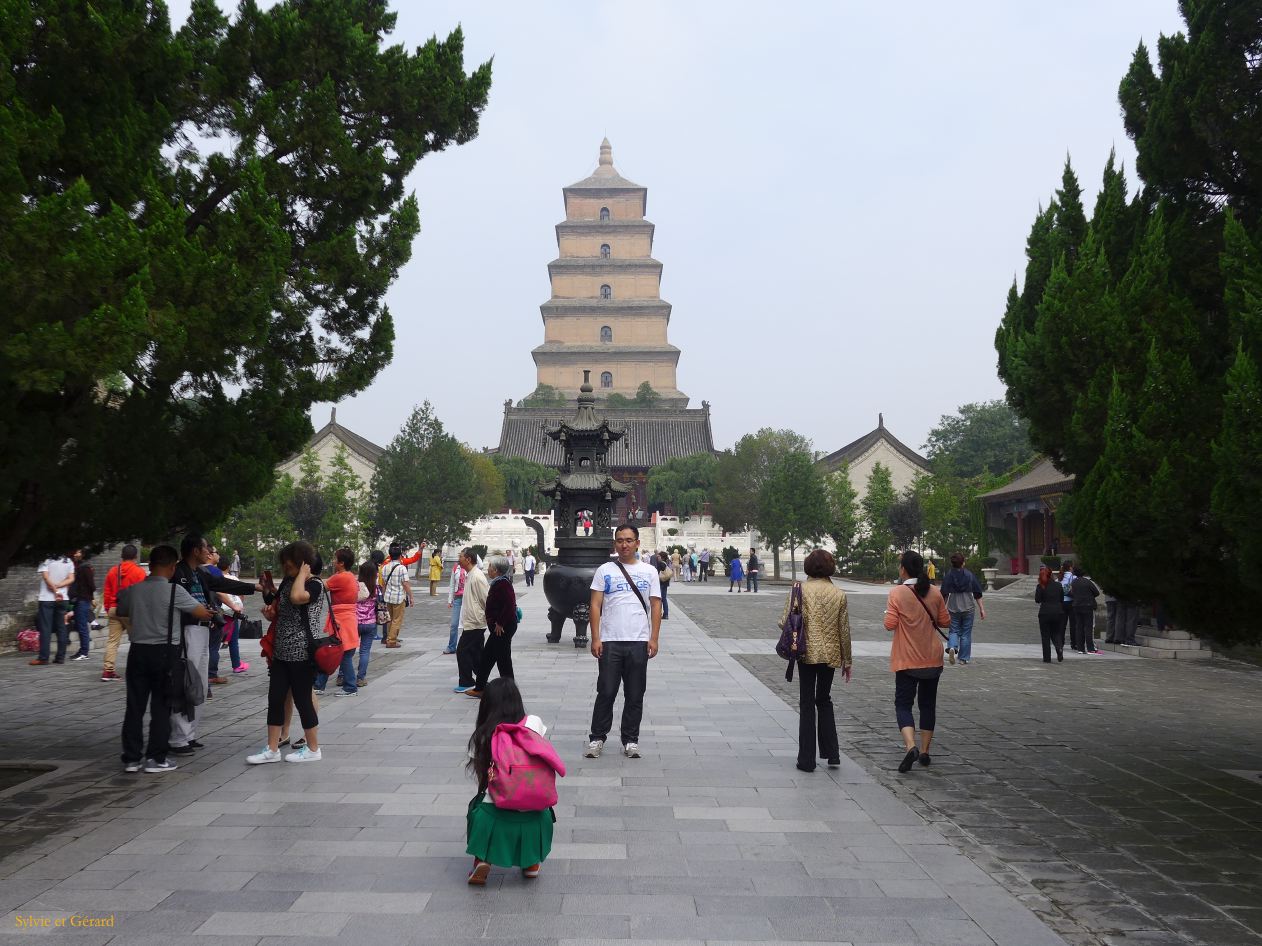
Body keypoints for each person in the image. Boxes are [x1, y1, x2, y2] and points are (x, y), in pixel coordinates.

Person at [116, 545, 214, 773]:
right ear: (172, 567)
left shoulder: (134, 590)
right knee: (161, 706)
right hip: (165, 653)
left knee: (134, 706)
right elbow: (200, 612)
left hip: (138, 651)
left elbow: (121, 610)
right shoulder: (174, 591)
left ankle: (131, 759)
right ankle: (156, 758)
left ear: (150, 566)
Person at [465, 678, 563, 885]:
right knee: (539, 812)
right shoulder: (534, 723)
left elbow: (483, 780)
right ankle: (531, 863)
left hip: (495, 814)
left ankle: (482, 859)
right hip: (537, 813)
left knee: (477, 806)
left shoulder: (483, 735)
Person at [169, 535, 257, 755]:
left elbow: (223, 584)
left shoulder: (199, 573)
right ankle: (178, 738)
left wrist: (255, 587)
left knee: (199, 682)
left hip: (202, 630)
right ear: (195, 550)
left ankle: (189, 734)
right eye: (205, 548)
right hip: (187, 630)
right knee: (186, 680)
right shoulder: (178, 573)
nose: (209, 552)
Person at [585, 524, 662, 760]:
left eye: (629, 540)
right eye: (620, 540)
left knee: (635, 694)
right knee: (606, 691)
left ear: (637, 543)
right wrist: (596, 637)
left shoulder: (649, 571)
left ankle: (630, 740)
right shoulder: (604, 570)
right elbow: (595, 605)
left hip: (638, 641)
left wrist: (654, 638)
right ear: (615, 543)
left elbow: (656, 605)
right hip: (611, 641)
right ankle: (597, 737)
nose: (624, 545)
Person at [247, 541, 325, 764]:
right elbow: (280, 607)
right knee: (276, 699)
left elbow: (297, 598)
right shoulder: (289, 582)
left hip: (302, 652)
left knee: (303, 700)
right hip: (281, 651)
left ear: (302, 563)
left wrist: (302, 574)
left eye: (289, 565)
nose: (285, 569)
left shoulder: (315, 585)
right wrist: (270, 613)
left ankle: (313, 749)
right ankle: (272, 749)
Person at [780, 549, 852, 772]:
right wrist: (847, 660)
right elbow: (844, 630)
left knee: (807, 702)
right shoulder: (839, 594)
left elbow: (784, 621)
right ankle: (832, 753)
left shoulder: (799, 590)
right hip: (830, 653)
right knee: (824, 699)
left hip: (806, 651)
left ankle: (807, 759)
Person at [883, 550, 950, 773]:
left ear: (903, 569)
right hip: (932, 658)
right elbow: (945, 621)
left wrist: (890, 612)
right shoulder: (935, 592)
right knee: (927, 705)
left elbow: (889, 624)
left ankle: (910, 746)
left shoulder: (897, 593)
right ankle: (924, 751)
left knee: (903, 704)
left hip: (907, 659)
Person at [466, 555, 519, 697]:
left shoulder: (503, 584)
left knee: (503, 659)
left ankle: (509, 691)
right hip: (499, 627)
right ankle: (480, 688)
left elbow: (509, 604)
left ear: (495, 570)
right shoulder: (498, 582)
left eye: (490, 566)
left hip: (502, 628)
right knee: (488, 657)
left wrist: (500, 622)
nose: (488, 569)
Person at [316, 548, 362, 696]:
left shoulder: (340, 577)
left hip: (342, 621)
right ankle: (319, 685)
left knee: (339, 653)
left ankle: (350, 687)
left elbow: (319, 587)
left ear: (341, 563)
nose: (333, 561)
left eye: (335, 559)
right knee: (335, 651)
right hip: (348, 619)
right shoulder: (350, 576)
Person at [101, 544, 146, 681]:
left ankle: (108, 671)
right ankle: (137, 669)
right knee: (137, 641)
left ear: (122, 556)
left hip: (114, 609)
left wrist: (108, 608)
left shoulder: (113, 571)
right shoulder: (139, 573)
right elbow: (143, 594)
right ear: (135, 556)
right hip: (131, 611)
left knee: (112, 641)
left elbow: (107, 592)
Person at [938, 553, 986, 665]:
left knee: (953, 630)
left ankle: (952, 647)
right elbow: (977, 593)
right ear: (963, 563)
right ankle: (963, 659)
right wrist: (982, 609)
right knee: (966, 633)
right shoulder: (969, 575)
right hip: (968, 607)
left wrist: (942, 609)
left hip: (953, 608)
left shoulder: (949, 576)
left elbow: (944, 594)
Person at [454, 548, 489, 694]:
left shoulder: (477, 576)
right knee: (476, 653)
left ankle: (466, 681)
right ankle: (482, 681)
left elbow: (486, 599)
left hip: (476, 622)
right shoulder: (471, 574)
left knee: (462, 651)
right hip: (472, 620)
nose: (459, 559)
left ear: (468, 559)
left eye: (461, 556)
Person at [31, 551, 75, 665]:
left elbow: (46, 577)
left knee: (45, 628)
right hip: (63, 598)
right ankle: (60, 657)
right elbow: (71, 579)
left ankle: (43, 657)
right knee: (61, 627)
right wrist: (59, 587)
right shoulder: (68, 560)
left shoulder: (46, 559)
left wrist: (54, 589)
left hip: (47, 598)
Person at [381, 543, 413, 648]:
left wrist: (384, 595)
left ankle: (389, 638)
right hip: (399, 597)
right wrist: (411, 597)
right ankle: (391, 641)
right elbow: (406, 584)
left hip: (388, 597)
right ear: (400, 556)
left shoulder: (385, 567)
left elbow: (383, 584)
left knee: (390, 619)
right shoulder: (402, 568)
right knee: (397, 619)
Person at [352, 560, 378, 687]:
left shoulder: (355, 586)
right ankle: (361, 678)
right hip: (370, 623)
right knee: (365, 651)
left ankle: (341, 676)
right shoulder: (376, 588)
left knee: (348, 651)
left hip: (354, 622)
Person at [68, 549, 96, 661]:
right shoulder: (78, 567)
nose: (75, 554)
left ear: (83, 554)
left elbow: (92, 585)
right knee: (80, 626)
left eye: (78, 552)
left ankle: (84, 652)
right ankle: (83, 650)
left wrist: (91, 597)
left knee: (82, 626)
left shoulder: (85, 568)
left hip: (83, 600)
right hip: (79, 599)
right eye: (75, 552)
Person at [1034, 566, 1066, 663]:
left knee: (1045, 636)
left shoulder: (1040, 586)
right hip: (1058, 612)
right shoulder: (1058, 585)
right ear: (1051, 574)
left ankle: (1047, 658)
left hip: (1045, 613)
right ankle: (1059, 647)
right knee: (1056, 632)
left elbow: (1037, 600)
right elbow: (1062, 599)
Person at [1069, 565, 1101, 654]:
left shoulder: (1074, 582)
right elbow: (1096, 592)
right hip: (1087, 606)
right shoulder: (1087, 582)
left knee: (1079, 626)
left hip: (1076, 606)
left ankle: (1080, 648)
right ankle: (1090, 648)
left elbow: (1071, 593)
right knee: (1088, 627)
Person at [445, 555, 467, 655]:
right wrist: (450, 600)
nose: (460, 557)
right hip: (457, 599)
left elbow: (480, 564)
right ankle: (451, 646)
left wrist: (474, 554)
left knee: (467, 624)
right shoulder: (456, 568)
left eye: (462, 556)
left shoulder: (471, 568)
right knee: (454, 624)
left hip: (468, 599)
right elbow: (452, 585)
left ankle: (466, 646)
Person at [655, 550, 673, 619]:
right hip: (665, 582)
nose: (658, 557)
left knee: (660, 598)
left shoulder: (660, 563)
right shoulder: (665, 563)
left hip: (661, 582)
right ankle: (665, 614)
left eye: (659, 556)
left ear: (662, 557)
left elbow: (657, 573)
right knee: (664, 598)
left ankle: (661, 614)